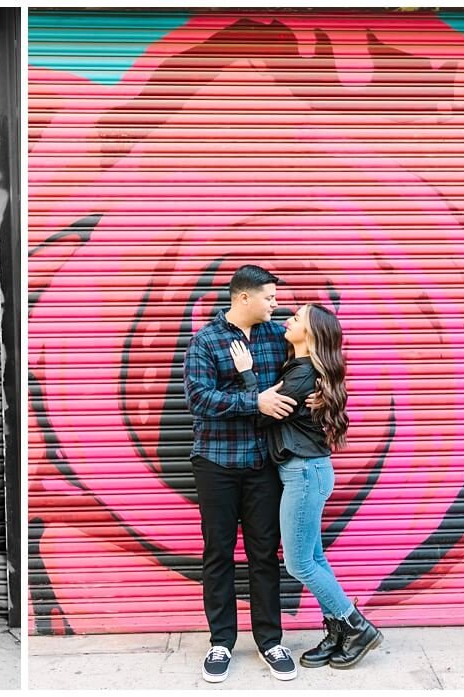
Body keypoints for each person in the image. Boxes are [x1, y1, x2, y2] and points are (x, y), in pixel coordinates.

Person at [231, 304, 381, 670]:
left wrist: (247, 375)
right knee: (314, 559)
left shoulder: (302, 374)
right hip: (304, 472)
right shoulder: (301, 370)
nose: (288, 320)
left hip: (305, 473)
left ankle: (357, 626)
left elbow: (264, 414)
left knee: (299, 564)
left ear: (310, 334)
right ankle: (338, 632)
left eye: (296, 319)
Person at [182, 264, 299, 683]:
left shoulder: (276, 336)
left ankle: (270, 640)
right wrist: (255, 402)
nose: (276, 303)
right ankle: (220, 643)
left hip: (264, 463)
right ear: (244, 297)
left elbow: (297, 380)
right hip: (215, 462)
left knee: (265, 555)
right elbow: (199, 400)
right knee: (218, 553)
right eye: (269, 297)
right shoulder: (206, 341)